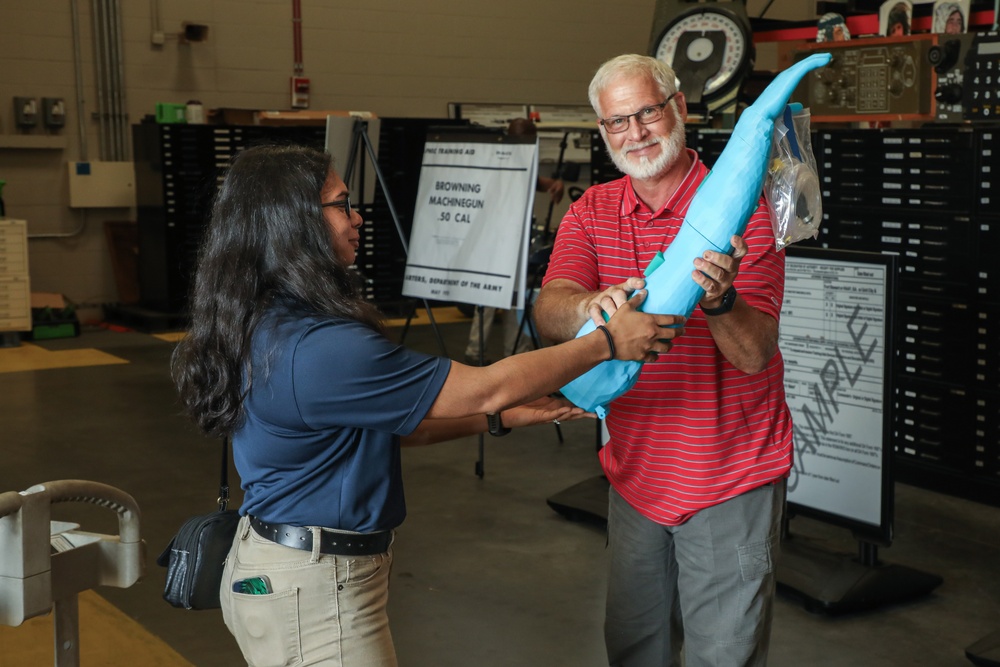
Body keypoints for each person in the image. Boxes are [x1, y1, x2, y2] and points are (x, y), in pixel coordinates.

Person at [170, 143, 683, 666]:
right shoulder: (319, 348)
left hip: (283, 570)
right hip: (316, 593)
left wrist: (500, 419)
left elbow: (396, 427)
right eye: (341, 204)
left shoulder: (268, 318)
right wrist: (607, 343)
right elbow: (485, 386)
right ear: (295, 221)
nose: (357, 216)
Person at [533, 54, 793, 666]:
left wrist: (721, 298)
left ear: (678, 107)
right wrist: (592, 306)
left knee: (723, 656)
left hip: (730, 478)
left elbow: (756, 355)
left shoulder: (743, 206)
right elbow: (550, 309)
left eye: (647, 112)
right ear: (602, 131)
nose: (636, 133)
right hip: (635, 475)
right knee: (635, 648)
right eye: (616, 122)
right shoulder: (593, 210)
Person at [464, 117, 565, 365]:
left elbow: (530, 182)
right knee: (489, 297)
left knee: (514, 297)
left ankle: (515, 351)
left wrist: (551, 183)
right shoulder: (500, 160)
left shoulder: (523, 159)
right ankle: (478, 352)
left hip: (514, 240)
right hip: (494, 240)